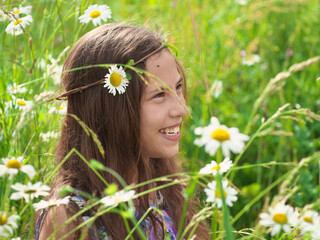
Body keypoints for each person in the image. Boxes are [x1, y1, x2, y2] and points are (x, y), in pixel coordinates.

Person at [35, 23, 209, 240]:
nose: (182, 109)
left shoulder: (167, 188)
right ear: (112, 111)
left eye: (178, 87)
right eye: (159, 95)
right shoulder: (71, 216)